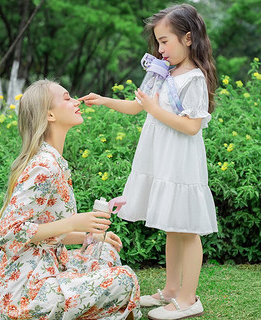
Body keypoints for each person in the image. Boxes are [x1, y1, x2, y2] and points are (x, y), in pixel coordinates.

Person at [79, 4, 218, 320]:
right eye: (157, 42)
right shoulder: (162, 71)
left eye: (165, 41)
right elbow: (136, 106)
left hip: (181, 162)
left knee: (187, 229)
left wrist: (156, 111)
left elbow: (192, 125)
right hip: (163, 159)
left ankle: (188, 298)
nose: (160, 48)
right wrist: (103, 100)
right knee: (172, 227)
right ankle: (170, 291)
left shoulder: (194, 78)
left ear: (188, 38)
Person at [0, 79, 141, 320]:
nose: (75, 101)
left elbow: (41, 230)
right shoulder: (44, 166)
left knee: (105, 250)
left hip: (45, 268)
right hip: (25, 292)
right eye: (67, 97)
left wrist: (87, 236)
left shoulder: (53, 160)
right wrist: (74, 223)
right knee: (124, 279)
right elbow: (6, 233)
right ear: (50, 114)